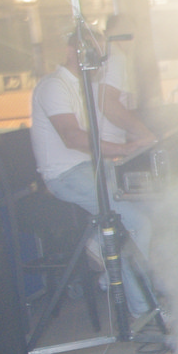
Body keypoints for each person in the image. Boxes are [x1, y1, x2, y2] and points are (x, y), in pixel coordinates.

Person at [28, 30, 157, 316]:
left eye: (99, 55)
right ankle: (143, 309)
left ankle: (105, 259)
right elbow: (72, 137)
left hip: (87, 168)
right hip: (65, 175)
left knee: (145, 207)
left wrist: (127, 149)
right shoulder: (54, 86)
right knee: (135, 224)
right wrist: (122, 148)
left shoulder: (82, 87)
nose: (96, 61)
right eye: (90, 53)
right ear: (70, 52)